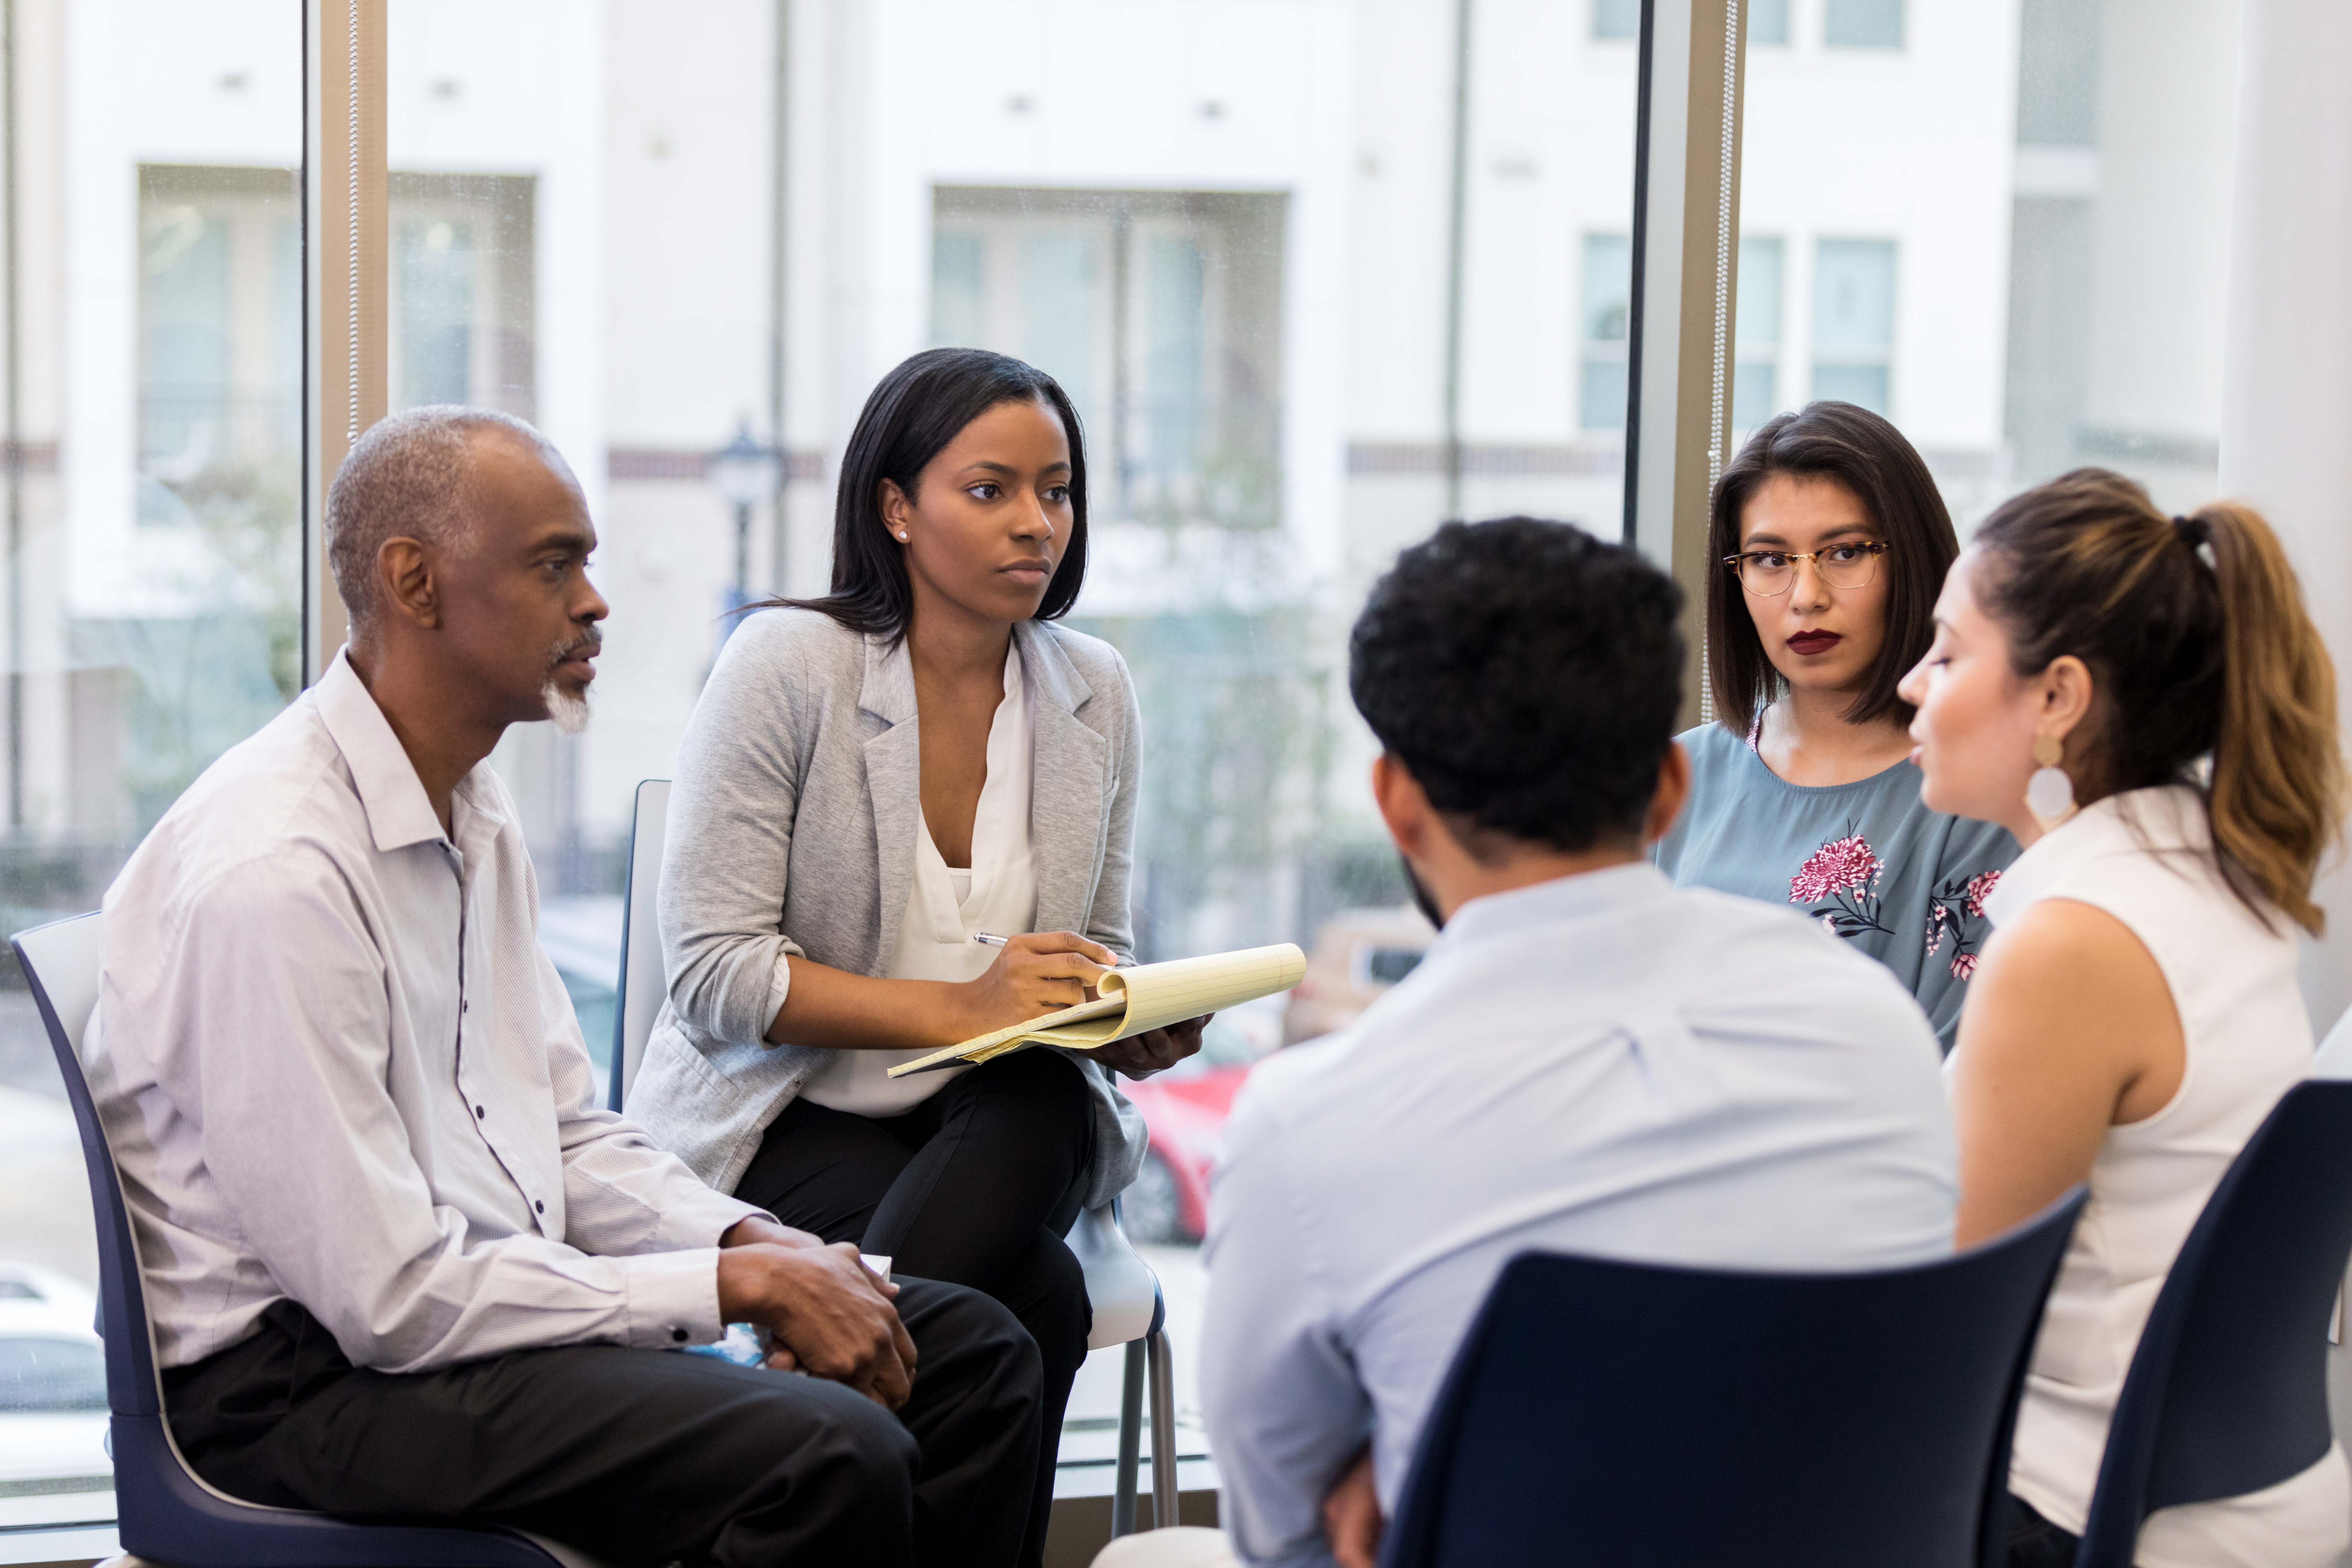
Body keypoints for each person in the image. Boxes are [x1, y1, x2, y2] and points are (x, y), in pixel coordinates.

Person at [89, 406, 1046, 1568]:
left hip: (467, 1315)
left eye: (587, 561)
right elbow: (387, 1300)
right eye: (555, 565)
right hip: (301, 1381)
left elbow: (571, 1136)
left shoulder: (471, 809)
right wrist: (727, 1286)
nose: (594, 601)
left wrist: (758, 1241)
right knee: (828, 1453)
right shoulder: (276, 874)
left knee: (977, 1360)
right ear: (416, 583)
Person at [1101, 517, 1959, 1568]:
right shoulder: (1871, 1027)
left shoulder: (1308, 1127)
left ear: (1397, 806)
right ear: (1671, 788)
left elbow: (1286, 1533)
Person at [625, 347, 1206, 1566]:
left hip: (995, 1125)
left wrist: (1124, 1014)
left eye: (1057, 490)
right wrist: (959, 1007)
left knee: (1047, 1091)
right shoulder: (788, 665)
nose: (1035, 522)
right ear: (896, 507)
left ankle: (805, 1416)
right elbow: (717, 975)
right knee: (1030, 1297)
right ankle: (823, 1435)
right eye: (989, 490)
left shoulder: (1094, 691)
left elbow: (1094, 945)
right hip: (783, 1123)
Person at [1899, 469, 2351, 1568]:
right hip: (2227, 1494)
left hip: (2081, 1512)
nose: (1913, 685)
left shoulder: (2074, 943)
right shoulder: (2204, 876)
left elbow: (1944, 1315)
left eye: (1950, 653)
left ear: (2057, 698)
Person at [1655, 401, 2015, 1048]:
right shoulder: (1674, 778)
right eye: (1770, 559)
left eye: (1845, 552)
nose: (1806, 595)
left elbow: (1955, 1071)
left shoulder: (1978, 795)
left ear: (1913, 559)